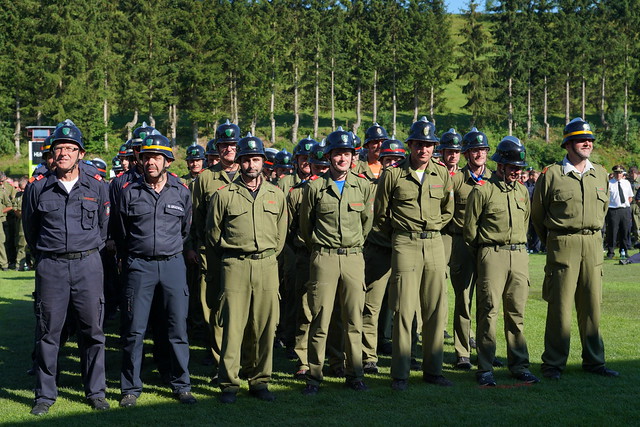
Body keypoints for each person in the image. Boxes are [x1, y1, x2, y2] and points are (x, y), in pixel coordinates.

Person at [22, 119, 110, 415]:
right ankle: (45, 395)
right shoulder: (38, 188)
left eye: (71, 148)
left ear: (80, 154)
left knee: (93, 331)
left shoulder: (97, 186)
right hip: (51, 267)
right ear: (52, 153)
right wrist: (50, 255)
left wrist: (85, 252)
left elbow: (103, 228)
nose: (64, 153)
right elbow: (30, 230)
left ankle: (96, 392)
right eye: (59, 148)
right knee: (49, 332)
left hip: (88, 265)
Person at [531, 117, 619, 380]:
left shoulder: (600, 173)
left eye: (590, 139)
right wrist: (555, 241)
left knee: (592, 306)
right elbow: (538, 215)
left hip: (592, 244)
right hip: (563, 244)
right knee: (559, 307)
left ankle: (594, 361)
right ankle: (553, 363)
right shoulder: (552, 174)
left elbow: (603, 210)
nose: (587, 143)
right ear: (568, 144)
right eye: (581, 140)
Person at [114, 132, 196, 407]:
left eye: (157, 157)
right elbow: (121, 232)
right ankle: (130, 388)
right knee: (134, 330)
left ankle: (182, 385)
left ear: (167, 162)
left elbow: (185, 230)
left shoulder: (181, 191)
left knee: (177, 328)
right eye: (147, 157)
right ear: (140, 160)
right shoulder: (129, 192)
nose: (151, 162)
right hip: (139, 266)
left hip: (173, 264)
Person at [374, 117, 454, 391]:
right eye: (419, 144)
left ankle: (433, 370)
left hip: (434, 243)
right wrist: (400, 235)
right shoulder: (393, 174)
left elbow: (448, 209)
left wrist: (433, 228)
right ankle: (400, 373)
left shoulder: (441, 173)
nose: (424, 149)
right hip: (405, 244)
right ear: (410, 145)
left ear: (434, 148)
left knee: (435, 310)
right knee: (404, 309)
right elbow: (381, 214)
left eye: (429, 145)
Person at [207, 133, 286, 403]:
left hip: (267, 265)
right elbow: (213, 234)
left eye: (256, 159)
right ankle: (229, 384)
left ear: (263, 161)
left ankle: (260, 381)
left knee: (264, 326)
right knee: (233, 327)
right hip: (235, 265)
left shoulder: (276, 194)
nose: (251, 165)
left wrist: (267, 255)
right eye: (246, 160)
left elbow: (281, 234)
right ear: (239, 162)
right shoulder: (223, 195)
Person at [299, 127, 373, 395]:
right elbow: (306, 226)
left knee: (354, 320)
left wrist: (352, 246)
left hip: (353, 257)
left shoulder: (363, 186)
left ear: (353, 157)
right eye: (338, 154)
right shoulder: (315, 187)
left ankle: (355, 374)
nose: (342, 158)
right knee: (320, 320)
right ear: (329, 156)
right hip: (324, 258)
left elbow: (367, 224)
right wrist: (321, 250)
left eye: (347, 154)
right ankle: (314, 377)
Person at [464, 136, 539, 386]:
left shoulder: (522, 192)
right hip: (491, 254)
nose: (517, 172)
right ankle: (485, 367)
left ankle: (519, 365)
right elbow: (470, 230)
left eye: (519, 167)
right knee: (488, 311)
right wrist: (485, 252)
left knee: (516, 312)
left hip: (518, 255)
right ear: (501, 166)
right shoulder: (482, 191)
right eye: (512, 167)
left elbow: (525, 222)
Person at [362, 137, 406, 374]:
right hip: (377, 250)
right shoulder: (368, 186)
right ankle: (368, 355)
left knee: (401, 306)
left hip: (403, 251)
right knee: (372, 305)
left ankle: (400, 350)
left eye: (396, 161)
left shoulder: (406, 185)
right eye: (388, 160)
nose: (391, 165)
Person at [605, 165, 634, 259]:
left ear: (623, 173)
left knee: (625, 231)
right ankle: (611, 252)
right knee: (612, 232)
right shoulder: (609, 183)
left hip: (624, 210)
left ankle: (624, 251)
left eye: (620, 172)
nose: (618, 174)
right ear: (613, 173)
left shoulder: (626, 183)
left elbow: (630, 197)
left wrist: (624, 205)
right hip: (613, 210)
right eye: (616, 172)